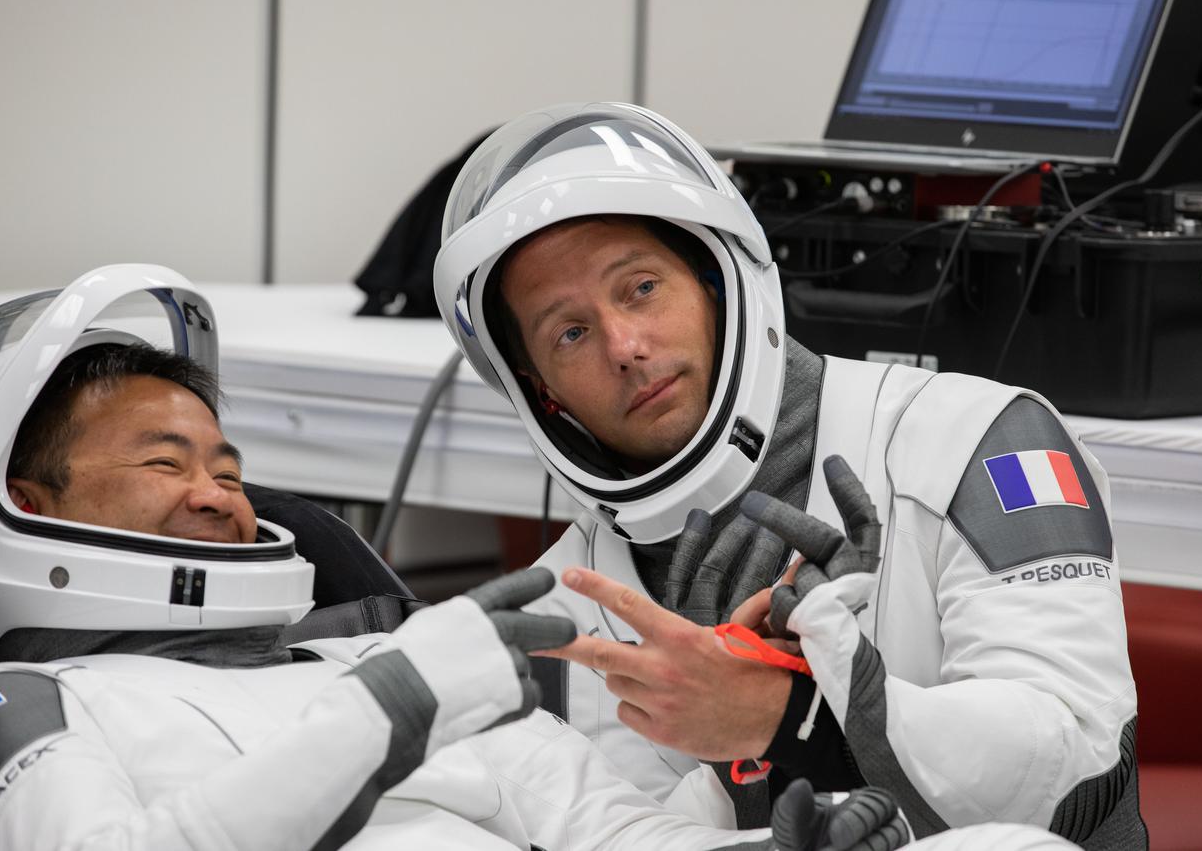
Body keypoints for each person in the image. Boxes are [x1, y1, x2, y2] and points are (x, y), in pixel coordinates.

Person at [0, 267, 946, 851]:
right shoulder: (25, 698)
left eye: (226, 463)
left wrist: (778, 817)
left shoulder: (382, 656)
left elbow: (620, 839)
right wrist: (381, 712)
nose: (221, 489)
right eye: (162, 460)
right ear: (25, 499)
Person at [433, 102, 1144, 848]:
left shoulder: (985, 442)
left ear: (717, 277)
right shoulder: (569, 607)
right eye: (570, 333)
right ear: (540, 390)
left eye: (640, 287)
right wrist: (740, 773)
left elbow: (1079, 764)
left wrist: (800, 713)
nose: (624, 345)